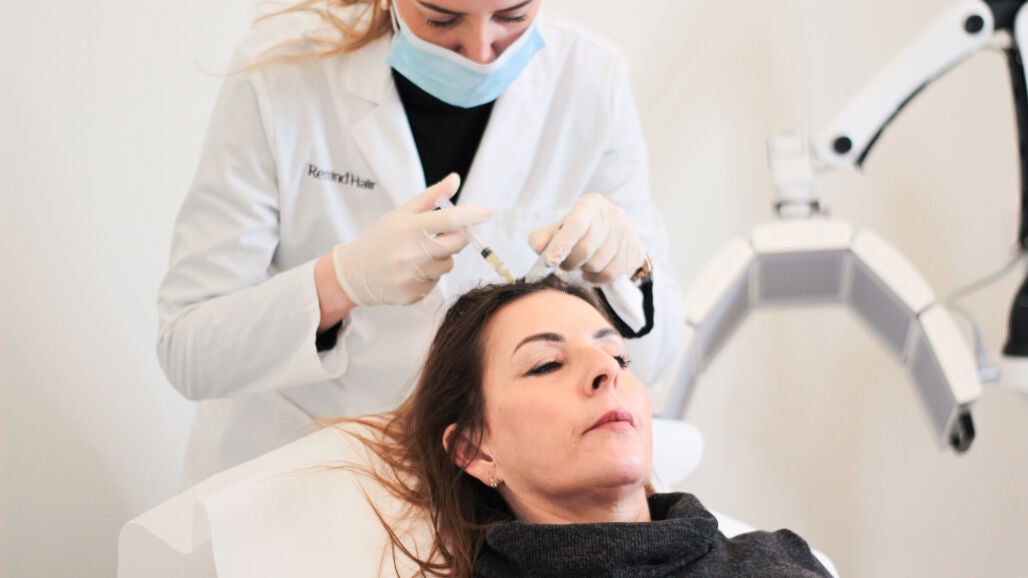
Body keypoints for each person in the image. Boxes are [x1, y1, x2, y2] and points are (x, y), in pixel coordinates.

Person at [157, 0, 684, 486]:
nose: (481, 52)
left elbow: (654, 359)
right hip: (297, 476)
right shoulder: (284, 74)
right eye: (441, 18)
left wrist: (626, 273)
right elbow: (189, 350)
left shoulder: (590, 79)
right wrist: (340, 282)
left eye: (513, 15)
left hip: (487, 495)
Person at [331, 275, 832, 577]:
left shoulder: (776, 559)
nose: (607, 370)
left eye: (619, 355)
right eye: (547, 364)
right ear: (475, 450)